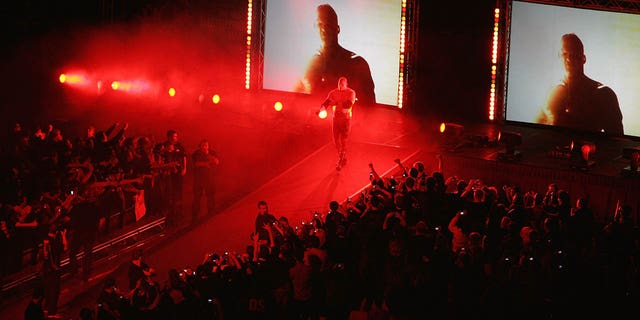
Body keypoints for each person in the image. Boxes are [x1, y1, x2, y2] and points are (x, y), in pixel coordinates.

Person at [536, 33, 623, 135]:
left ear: (583, 58)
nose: (569, 59)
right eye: (564, 54)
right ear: (559, 57)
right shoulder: (551, 93)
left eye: (574, 55)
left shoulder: (603, 94)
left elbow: (618, 142)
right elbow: (532, 135)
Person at [295, 3, 376, 107]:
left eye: (328, 25)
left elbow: (370, 109)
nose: (323, 30)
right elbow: (295, 105)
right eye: (320, 25)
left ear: (337, 29)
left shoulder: (357, 64)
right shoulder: (308, 66)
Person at [318, 76, 356, 170]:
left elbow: (348, 104)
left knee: (343, 140)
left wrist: (335, 103)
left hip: (346, 119)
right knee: (336, 140)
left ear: (346, 84)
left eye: (342, 84)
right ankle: (342, 156)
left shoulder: (351, 92)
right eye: (339, 84)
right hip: (336, 119)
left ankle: (340, 160)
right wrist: (322, 108)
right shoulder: (333, 93)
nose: (340, 86)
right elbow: (327, 102)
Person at [153, 129, 187, 227]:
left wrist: (184, 168)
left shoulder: (179, 146)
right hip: (168, 175)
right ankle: (169, 217)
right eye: (173, 137)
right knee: (169, 194)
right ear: (168, 137)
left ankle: (179, 213)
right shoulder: (164, 146)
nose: (175, 138)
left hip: (179, 174)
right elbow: (161, 160)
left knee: (178, 193)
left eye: (176, 136)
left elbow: (184, 156)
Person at [190, 139, 219, 221]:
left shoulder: (212, 152)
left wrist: (209, 156)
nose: (205, 147)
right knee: (197, 197)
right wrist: (206, 163)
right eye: (203, 145)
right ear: (200, 146)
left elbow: (217, 162)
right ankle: (195, 216)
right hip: (199, 179)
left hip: (209, 178)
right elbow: (196, 164)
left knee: (210, 196)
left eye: (206, 145)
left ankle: (211, 212)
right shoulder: (196, 153)